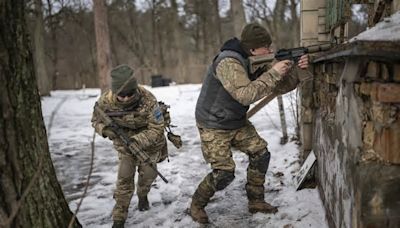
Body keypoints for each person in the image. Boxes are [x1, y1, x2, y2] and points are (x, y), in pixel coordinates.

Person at [190, 22, 309, 224]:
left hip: (236, 120)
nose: (270, 50)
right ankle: (196, 204)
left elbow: (280, 87)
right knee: (224, 174)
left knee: (261, 154)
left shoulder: (253, 59)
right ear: (253, 48)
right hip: (214, 123)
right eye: (266, 47)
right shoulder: (228, 62)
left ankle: (256, 201)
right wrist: (273, 72)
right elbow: (245, 95)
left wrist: (297, 69)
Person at [91, 65, 167, 228]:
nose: (125, 99)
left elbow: (157, 128)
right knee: (124, 178)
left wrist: (137, 140)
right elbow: (95, 120)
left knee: (148, 175)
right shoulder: (105, 101)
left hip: (148, 144)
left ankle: (142, 195)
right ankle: (119, 218)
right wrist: (105, 130)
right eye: (121, 95)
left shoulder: (148, 100)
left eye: (129, 94)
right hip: (123, 145)